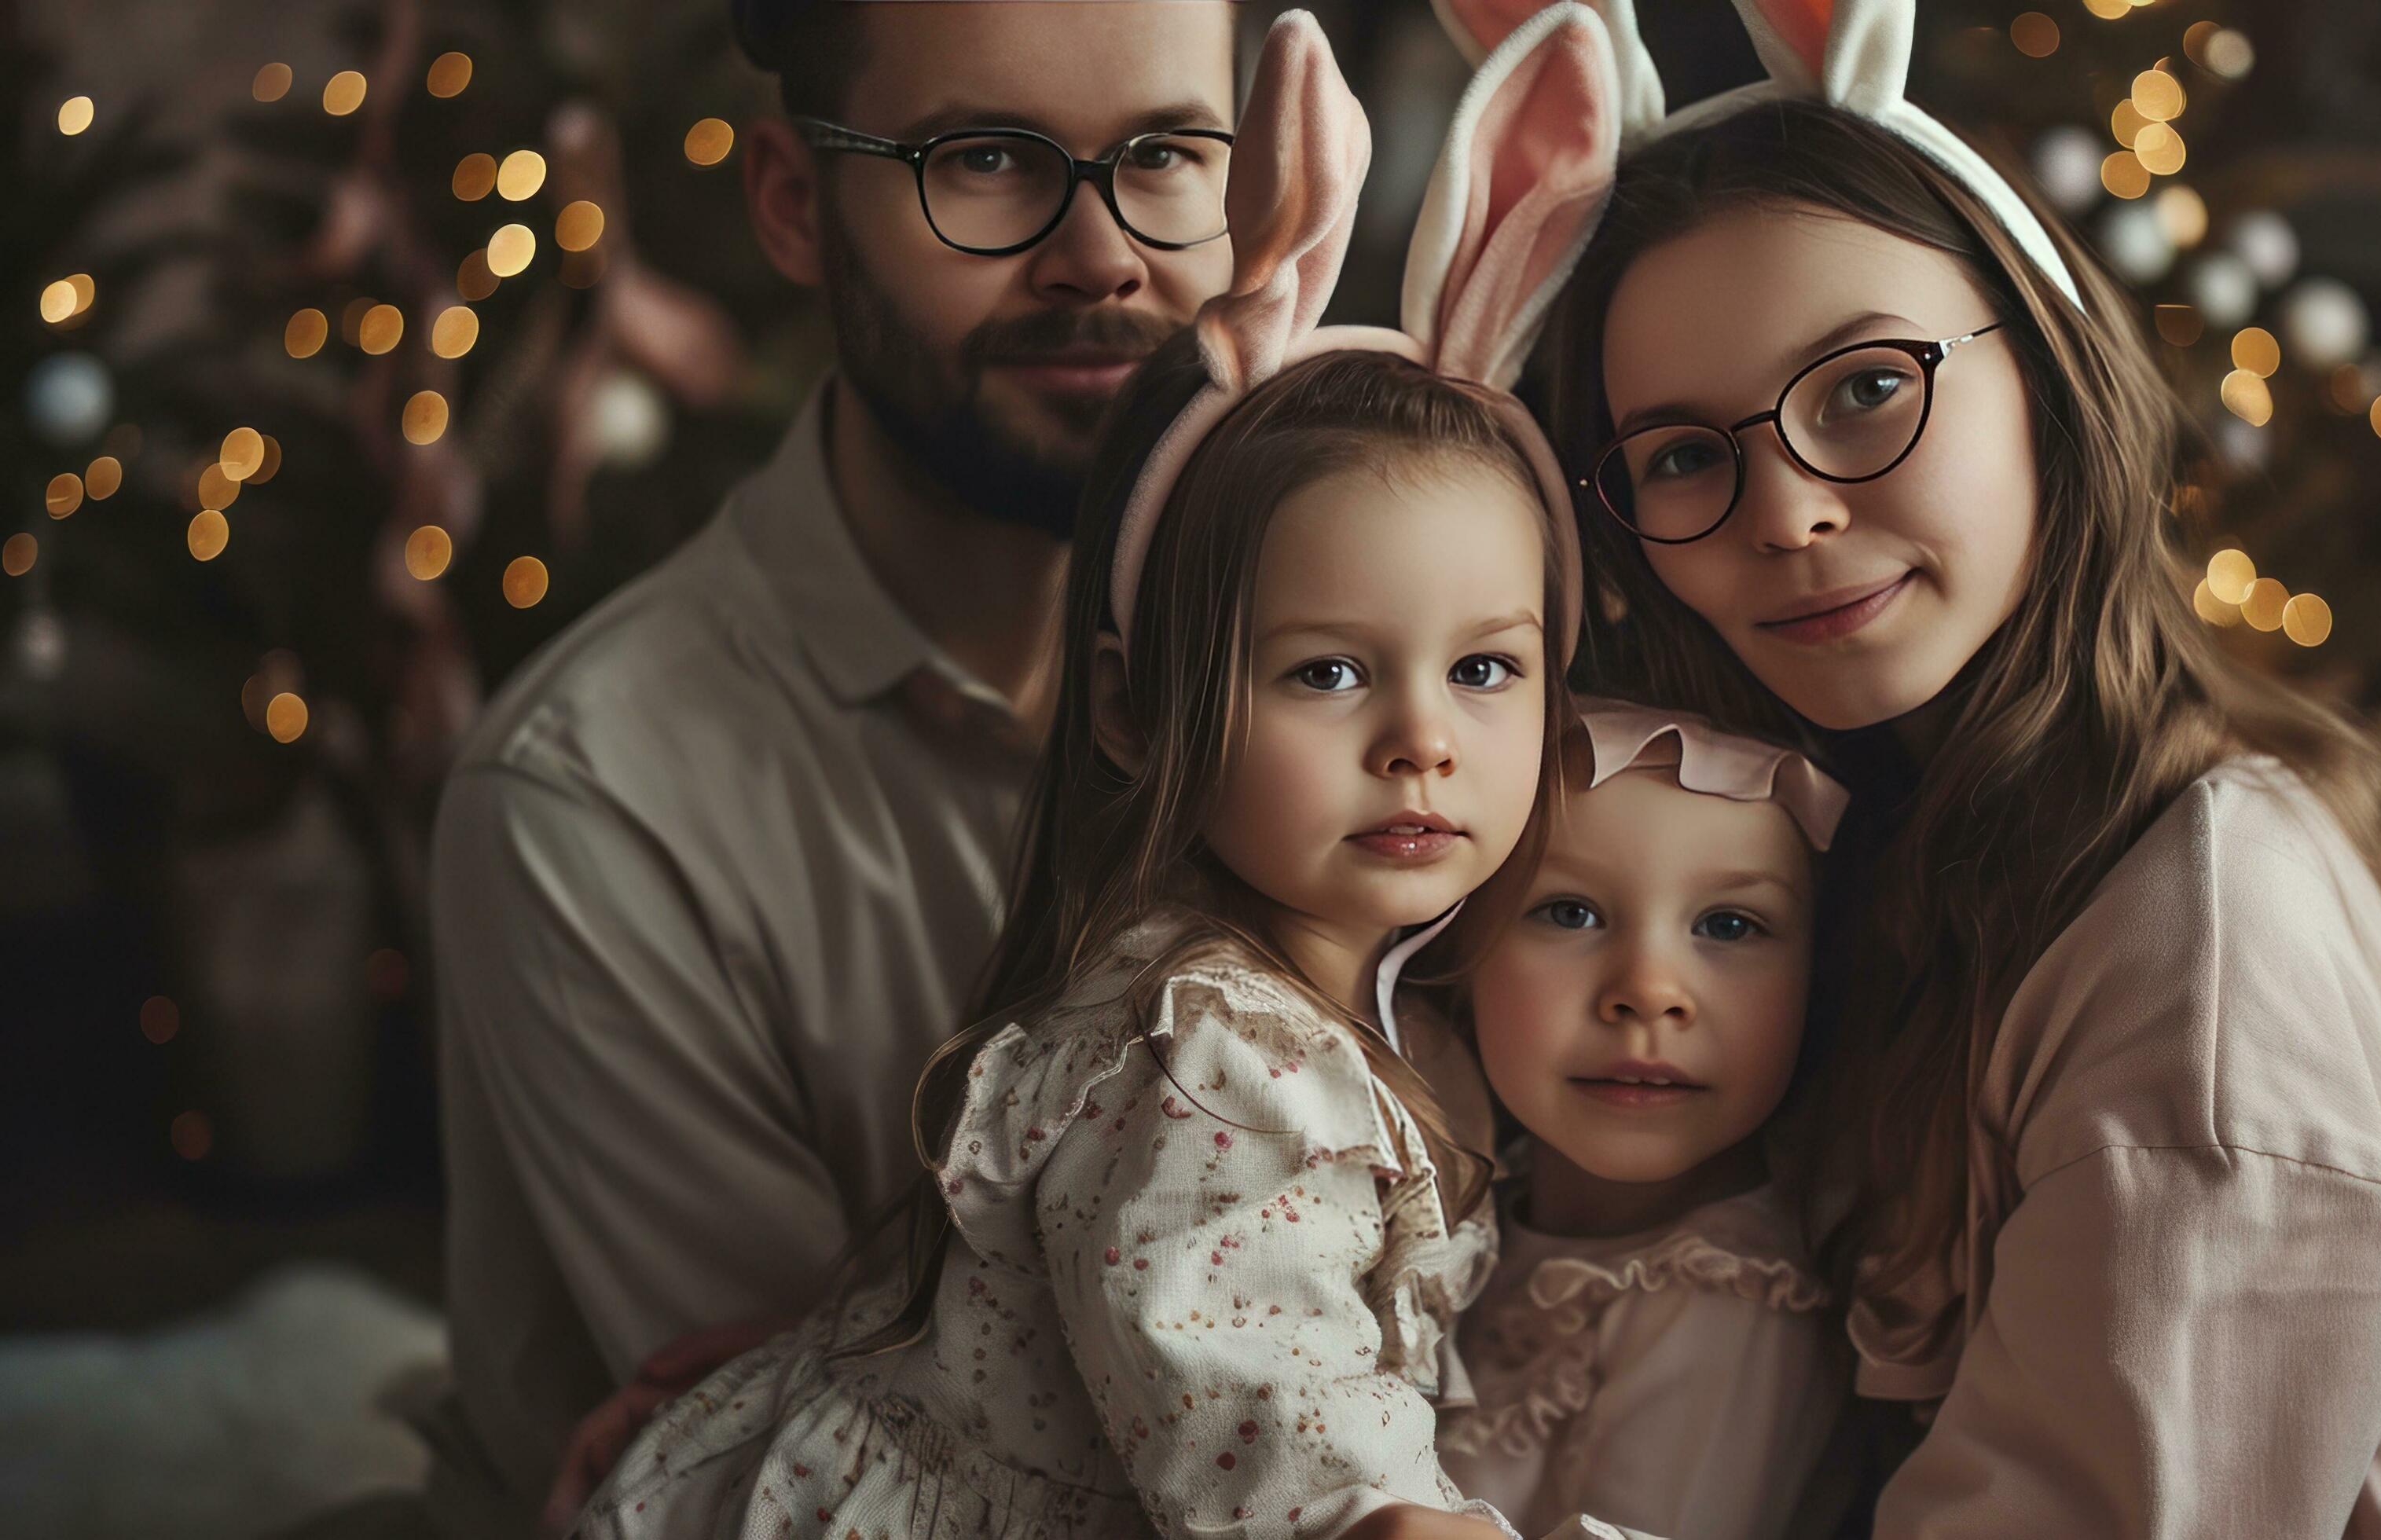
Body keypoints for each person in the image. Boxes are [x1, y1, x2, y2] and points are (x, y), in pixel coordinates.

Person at [1508, 0, 2381, 1533]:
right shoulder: (1833, 832)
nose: (1782, 514)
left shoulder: (2201, 941)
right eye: (1685, 456)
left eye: (1862, 388)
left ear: (2041, 377)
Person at [573, 15, 1626, 1536]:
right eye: (1327, 671)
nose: (1422, 738)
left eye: (1484, 669)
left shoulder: (1411, 1000)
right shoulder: (1211, 1064)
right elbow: (1268, 1411)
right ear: (1132, 715)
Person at [424, 0, 1238, 1527]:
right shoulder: (588, 803)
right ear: (797, 203)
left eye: (1166, 155)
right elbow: (879, 1485)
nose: (1102, 254)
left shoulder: (1322, 677)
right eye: (986, 160)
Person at [1440, 702, 1851, 1539]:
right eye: (1569, 913)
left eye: (1729, 925)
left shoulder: (1732, 1295)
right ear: (1458, 950)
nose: (1648, 989)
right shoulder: (1443, 1203)